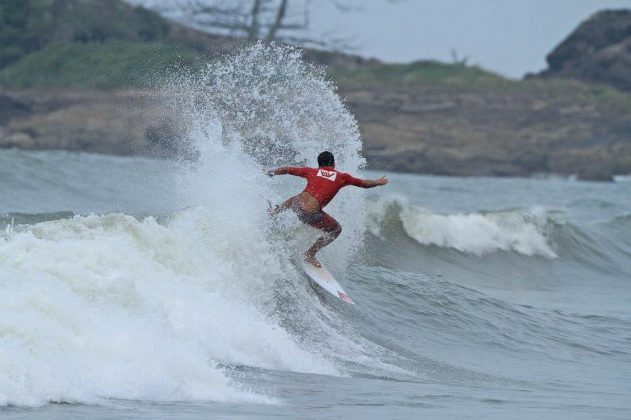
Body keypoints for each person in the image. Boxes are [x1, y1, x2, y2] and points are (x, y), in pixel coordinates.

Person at [266, 151, 388, 267]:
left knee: (296, 198)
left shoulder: (311, 171)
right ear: (334, 164)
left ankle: (275, 211)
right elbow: (364, 183)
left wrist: (271, 172)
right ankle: (310, 254)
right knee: (336, 229)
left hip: (296, 205)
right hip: (309, 214)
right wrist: (378, 182)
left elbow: (286, 169)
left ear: (319, 164)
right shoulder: (342, 177)